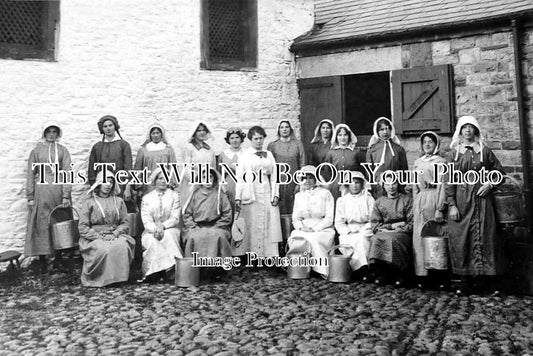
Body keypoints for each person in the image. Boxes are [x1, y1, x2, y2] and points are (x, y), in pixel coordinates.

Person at [446, 116, 504, 294]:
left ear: (476, 130)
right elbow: (448, 181)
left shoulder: (484, 152)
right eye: (465, 127)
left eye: (471, 127)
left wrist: (490, 184)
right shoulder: (454, 154)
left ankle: (485, 283)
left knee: (485, 237)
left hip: (482, 201)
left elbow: (499, 172)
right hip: (462, 201)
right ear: (460, 131)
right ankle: (465, 282)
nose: (468, 130)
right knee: (462, 238)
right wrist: (452, 205)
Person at [26, 121, 72, 273]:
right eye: (49, 132)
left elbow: (67, 173)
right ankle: (44, 260)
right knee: (42, 223)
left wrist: (66, 195)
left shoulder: (63, 150)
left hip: (58, 191)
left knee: (58, 223)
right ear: (44, 133)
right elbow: (31, 174)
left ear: (58, 134)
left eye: (54, 132)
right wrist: (30, 196)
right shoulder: (36, 151)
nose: (51, 135)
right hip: (42, 191)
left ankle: (58, 259)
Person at [78, 172, 135, 287]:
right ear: (99, 183)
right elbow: (82, 227)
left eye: (111, 181)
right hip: (95, 237)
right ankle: (103, 279)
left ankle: (119, 279)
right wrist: (98, 236)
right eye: (105, 181)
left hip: (115, 234)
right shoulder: (89, 202)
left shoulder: (119, 201)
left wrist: (115, 233)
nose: (108, 185)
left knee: (122, 246)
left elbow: (125, 223)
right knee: (104, 249)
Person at [235, 126, 283, 258]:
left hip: (266, 188)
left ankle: (268, 255)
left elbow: (275, 175)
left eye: (261, 138)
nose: (258, 141)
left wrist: (275, 194)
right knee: (253, 221)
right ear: (250, 139)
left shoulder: (269, 154)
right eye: (255, 138)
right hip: (251, 190)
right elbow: (240, 177)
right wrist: (238, 197)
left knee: (268, 220)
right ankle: (253, 255)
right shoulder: (244, 155)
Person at [411, 131, 448, 289]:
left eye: (430, 142)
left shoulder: (441, 162)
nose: (427, 144)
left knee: (436, 237)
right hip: (421, 200)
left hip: (434, 198)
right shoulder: (417, 162)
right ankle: (422, 276)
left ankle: (438, 276)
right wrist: (415, 203)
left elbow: (443, 185)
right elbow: (414, 185)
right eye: (424, 142)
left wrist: (440, 208)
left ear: (436, 144)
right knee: (420, 238)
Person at [287, 165, 335, 277]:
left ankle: (322, 269)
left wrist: (315, 229)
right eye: (304, 178)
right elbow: (296, 218)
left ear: (316, 179)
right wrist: (301, 227)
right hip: (304, 228)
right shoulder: (299, 196)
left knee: (314, 238)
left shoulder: (325, 194)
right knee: (295, 236)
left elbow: (329, 217)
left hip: (323, 228)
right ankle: (302, 268)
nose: (307, 181)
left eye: (310, 178)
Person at [182, 168, 232, 267]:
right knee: (195, 237)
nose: (207, 180)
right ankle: (196, 268)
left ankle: (217, 269)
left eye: (210, 177)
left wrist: (218, 225)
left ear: (214, 179)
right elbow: (186, 214)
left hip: (217, 226)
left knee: (218, 236)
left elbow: (227, 213)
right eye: (204, 177)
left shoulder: (220, 195)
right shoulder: (194, 195)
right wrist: (194, 226)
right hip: (197, 226)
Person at [140, 168, 182, 282]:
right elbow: (146, 219)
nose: (163, 181)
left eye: (166, 178)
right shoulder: (147, 198)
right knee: (152, 240)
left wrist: (163, 226)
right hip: (151, 230)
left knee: (168, 236)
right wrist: (155, 229)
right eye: (160, 178)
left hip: (170, 228)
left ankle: (171, 271)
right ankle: (153, 272)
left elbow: (175, 217)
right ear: (155, 180)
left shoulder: (174, 196)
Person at [369, 180, 413, 287]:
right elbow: (375, 225)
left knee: (392, 239)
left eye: (394, 183)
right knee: (375, 239)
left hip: (402, 232)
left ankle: (399, 273)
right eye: (387, 184)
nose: (391, 187)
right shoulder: (379, 202)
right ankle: (382, 273)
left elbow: (412, 222)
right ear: (383, 185)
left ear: (398, 184)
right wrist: (390, 227)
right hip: (384, 231)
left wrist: (397, 229)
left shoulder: (406, 200)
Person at [335, 171, 375, 281]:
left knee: (361, 241)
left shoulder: (368, 199)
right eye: (352, 182)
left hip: (365, 229)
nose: (355, 185)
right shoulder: (342, 200)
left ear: (362, 184)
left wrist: (363, 230)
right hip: (349, 230)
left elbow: (373, 219)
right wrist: (347, 231)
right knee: (347, 241)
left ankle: (364, 269)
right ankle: (355, 270)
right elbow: (339, 222)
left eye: (357, 182)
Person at [88, 115, 133, 199]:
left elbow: (128, 168)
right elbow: (91, 170)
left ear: (115, 126)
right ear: (102, 129)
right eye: (105, 126)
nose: (108, 128)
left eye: (110, 125)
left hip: (120, 184)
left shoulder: (123, 145)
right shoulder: (97, 147)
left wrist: (127, 188)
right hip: (102, 184)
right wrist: (94, 186)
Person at [267, 120, 306, 214]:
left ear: (291, 129)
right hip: (278, 181)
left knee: (294, 206)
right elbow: (268, 165)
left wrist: (300, 182)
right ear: (278, 130)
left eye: (287, 127)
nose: (284, 129)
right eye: (282, 127)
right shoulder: (273, 145)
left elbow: (303, 163)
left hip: (293, 180)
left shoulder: (298, 144)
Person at [177, 121, 216, 208]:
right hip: (193, 184)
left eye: (203, 130)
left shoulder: (210, 150)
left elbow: (213, 168)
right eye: (199, 130)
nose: (201, 132)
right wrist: (196, 181)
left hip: (207, 183)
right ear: (194, 133)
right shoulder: (189, 148)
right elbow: (186, 168)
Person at [366, 117, 408, 197]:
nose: (385, 132)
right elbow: (369, 171)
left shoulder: (399, 149)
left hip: (394, 186)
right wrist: (375, 185)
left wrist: (400, 185)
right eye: (382, 129)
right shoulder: (372, 149)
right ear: (377, 131)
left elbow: (404, 170)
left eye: (387, 129)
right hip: (378, 187)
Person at [133, 123, 177, 199]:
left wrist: (171, 183)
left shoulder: (168, 149)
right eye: (153, 133)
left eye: (158, 133)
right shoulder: (143, 150)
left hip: (164, 182)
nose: (156, 135)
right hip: (147, 185)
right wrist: (138, 186)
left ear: (161, 134)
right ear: (150, 135)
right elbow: (138, 168)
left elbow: (173, 167)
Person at [324, 124, 363, 201]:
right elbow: (327, 171)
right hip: (336, 184)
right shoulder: (331, 153)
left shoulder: (356, 152)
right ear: (336, 137)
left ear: (349, 136)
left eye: (345, 135)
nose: (342, 138)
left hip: (351, 183)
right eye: (340, 135)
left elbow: (361, 169)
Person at [217, 127, 246, 214]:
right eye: (232, 138)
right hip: (228, 185)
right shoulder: (223, 154)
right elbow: (218, 173)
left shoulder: (246, 153)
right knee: (229, 209)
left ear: (241, 139)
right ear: (228, 140)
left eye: (237, 137)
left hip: (243, 184)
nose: (235, 140)